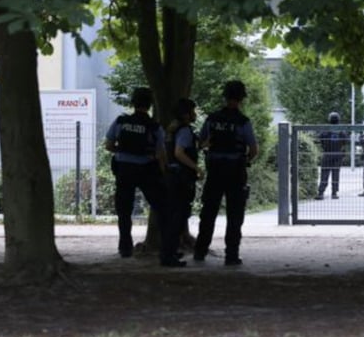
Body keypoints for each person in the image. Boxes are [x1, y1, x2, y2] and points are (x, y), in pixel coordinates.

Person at [105, 87, 183, 267]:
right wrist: (164, 173)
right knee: (163, 209)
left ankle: (125, 248)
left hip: (124, 170)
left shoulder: (121, 121)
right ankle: (167, 251)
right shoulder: (154, 127)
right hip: (147, 170)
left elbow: (109, 145)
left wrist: (123, 151)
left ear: (133, 103)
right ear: (149, 105)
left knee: (124, 210)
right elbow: (161, 153)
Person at [193, 80, 258, 266]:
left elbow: (200, 143)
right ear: (242, 98)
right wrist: (245, 161)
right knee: (235, 215)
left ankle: (200, 251)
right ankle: (231, 255)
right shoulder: (243, 122)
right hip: (236, 171)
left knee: (208, 212)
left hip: (214, 169)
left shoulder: (212, 119)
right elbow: (253, 150)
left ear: (225, 96)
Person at [165, 98, 203, 257]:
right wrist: (196, 168)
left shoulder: (174, 129)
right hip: (181, 177)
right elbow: (179, 153)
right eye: (192, 111)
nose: (194, 114)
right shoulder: (185, 131)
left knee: (175, 214)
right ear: (186, 114)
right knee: (179, 214)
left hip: (172, 176)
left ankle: (171, 250)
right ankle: (170, 252)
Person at [315, 111, 349, 200]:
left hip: (327, 153)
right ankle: (334, 193)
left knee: (324, 174)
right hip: (338, 154)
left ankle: (321, 193)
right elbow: (346, 141)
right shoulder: (342, 130)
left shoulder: (325, 129)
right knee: (335, 173)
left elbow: (320, 139)